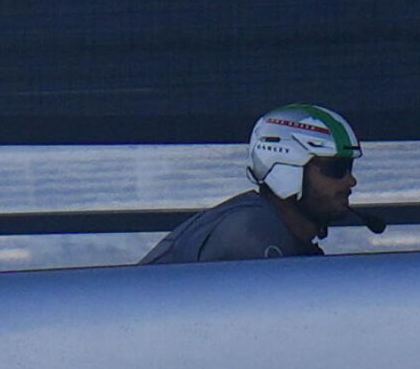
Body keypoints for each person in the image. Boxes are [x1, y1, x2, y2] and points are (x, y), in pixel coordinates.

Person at [142, 105, 363, 263]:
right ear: (287, 169)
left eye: (349, 168)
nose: (350, 180)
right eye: (336, 168)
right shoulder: (249, 235)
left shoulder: (270, 231)